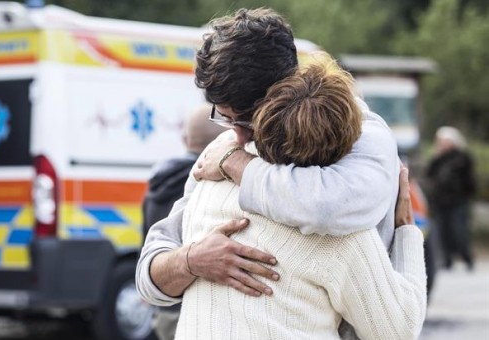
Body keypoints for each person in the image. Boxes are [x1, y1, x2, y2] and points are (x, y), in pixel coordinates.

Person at [137, 7, 400, 306]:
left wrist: (235, 165)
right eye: (224, 117)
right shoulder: (222, 147)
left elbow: (329, 205)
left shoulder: (360, 129)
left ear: (287, 91)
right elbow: (149, 276)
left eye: (248, 120)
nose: (236, 136)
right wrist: (190, 261)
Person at [175, 53, 426, 340]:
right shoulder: (341, 232)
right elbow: (399, 330)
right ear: (350, 141)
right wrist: (407, 230)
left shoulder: (211, 180)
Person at [141, 105, 226, 340]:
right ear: (222, 140)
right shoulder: (211, 183)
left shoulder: (156, 183)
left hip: (164, 306)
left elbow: (147, 242)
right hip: (194, 308)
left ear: (185, 138)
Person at [425, 126, 476, 270]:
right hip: (440, 201)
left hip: (458, 200)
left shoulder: (462, 157)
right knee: (442, 230)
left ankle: (467, 258)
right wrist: (436, 156)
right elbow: (430, 174)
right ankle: (447, 260)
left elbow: (469, 180)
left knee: (459, 230)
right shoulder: (438, 158)